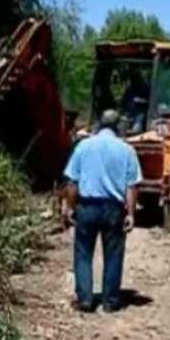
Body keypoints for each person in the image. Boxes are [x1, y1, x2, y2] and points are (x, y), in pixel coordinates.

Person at [62, 109, 142, 313]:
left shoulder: (83, 146)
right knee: (114, 254)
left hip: (87, 206)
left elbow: (72, 182)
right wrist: (131, 214)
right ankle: (111, 301)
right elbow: (131, 186)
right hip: (114, 209)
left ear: (98, 123)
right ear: (117, 126)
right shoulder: (127, 150)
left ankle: (85, 299)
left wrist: (70, 207)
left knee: (83, 254)